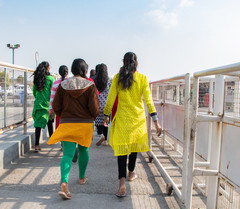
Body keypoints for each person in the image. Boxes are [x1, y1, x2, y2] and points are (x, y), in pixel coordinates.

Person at [103, 52, 162, 198]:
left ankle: (121, 183)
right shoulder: (142, 78)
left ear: (123, 62)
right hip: (137, 120)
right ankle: (131, 173)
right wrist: (156, 122)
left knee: (122, 151)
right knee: (134, 148)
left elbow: (110, 99)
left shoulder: (117, 78)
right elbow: (148, 101)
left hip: (123, 119)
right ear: (136, 63)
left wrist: (106, 115)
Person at [48, 58, 99, 200]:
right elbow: (94, 109)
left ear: (72, 70)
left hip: (67, 123)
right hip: (85, 125)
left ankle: (64, 181)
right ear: (85, 71)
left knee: (67, 155)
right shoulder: (90, 85)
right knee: (84, 151)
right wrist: (91, 117)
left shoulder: (63, 85)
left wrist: (65, 115)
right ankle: (82, 178)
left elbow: (56, 106)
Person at [32, 61, 55, 151]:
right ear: (47, 68)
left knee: (38, 124)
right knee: (50, 121)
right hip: (48, 103)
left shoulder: (36, 79)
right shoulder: (50, 79)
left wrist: (39, 98)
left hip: (38, 103)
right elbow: (52, 92)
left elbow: (34, 92)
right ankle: (51, 139)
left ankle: (37, 145)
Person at [93, 63, 111, 146]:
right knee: (105, 122)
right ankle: (105, 141)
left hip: (97, 104)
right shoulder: (110, 80)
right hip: (107, 105)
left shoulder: (94, 80)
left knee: (98, 122)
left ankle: (101, 134)